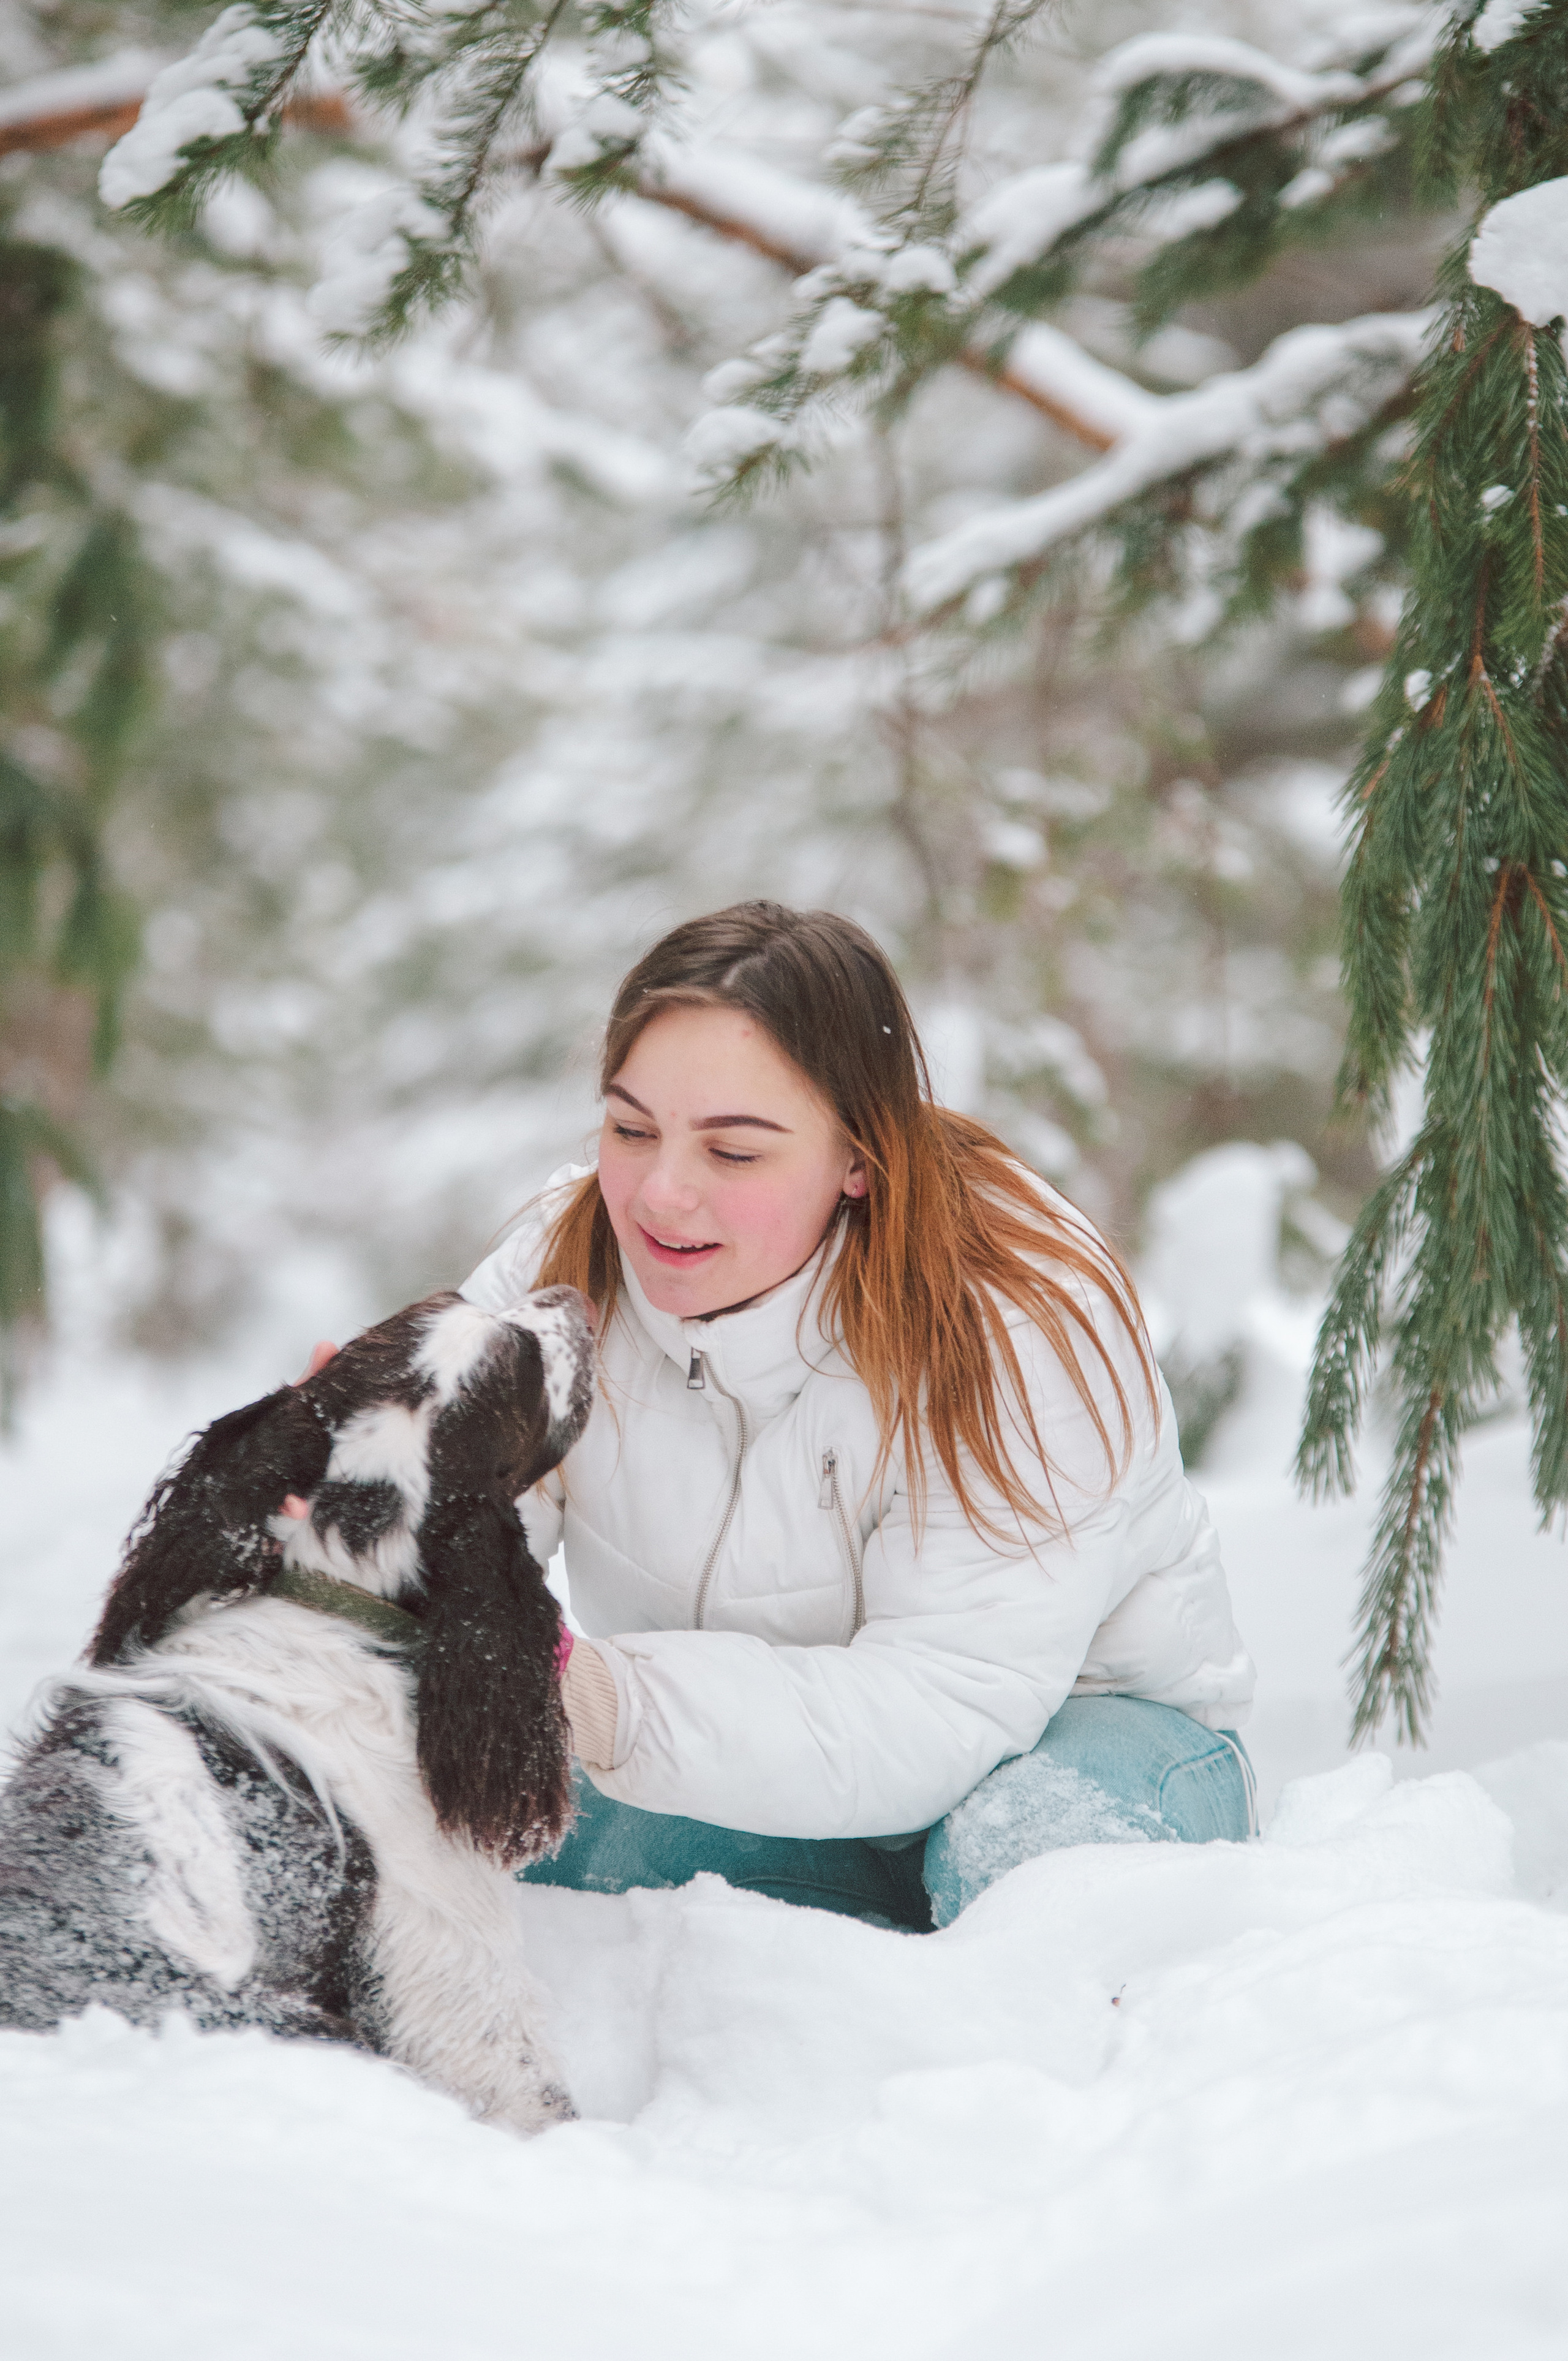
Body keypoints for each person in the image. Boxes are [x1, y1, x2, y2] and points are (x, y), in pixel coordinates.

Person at [447, 902, 1256, 1933]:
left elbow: (946, 1697)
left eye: (733, 1152)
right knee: (518, 1847)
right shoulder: (563, 1279)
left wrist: (606, 1699)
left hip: (1081, 1735)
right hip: (765, 1770)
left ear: (858, 1157)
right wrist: (352, 1497)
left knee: (1037, 1876)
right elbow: (441, 1550)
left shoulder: (1012, 1315)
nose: (660, 1194)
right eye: (630, 1128)